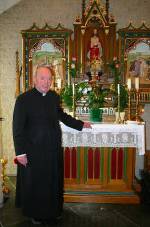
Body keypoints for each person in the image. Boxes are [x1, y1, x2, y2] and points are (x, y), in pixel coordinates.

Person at [12, 65, 91, 225]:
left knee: (52, 181)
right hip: (33, 151)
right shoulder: (23, 99)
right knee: (36, 183)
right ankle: (36, 213)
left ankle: (53, 211)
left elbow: (61, 115)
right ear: (35, 79)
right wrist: (20, 153)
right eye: (42, 78)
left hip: (52, 149)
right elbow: (17, 128)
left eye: (49, 79)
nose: (46, 82)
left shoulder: (54, 97)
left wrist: (80, 124)